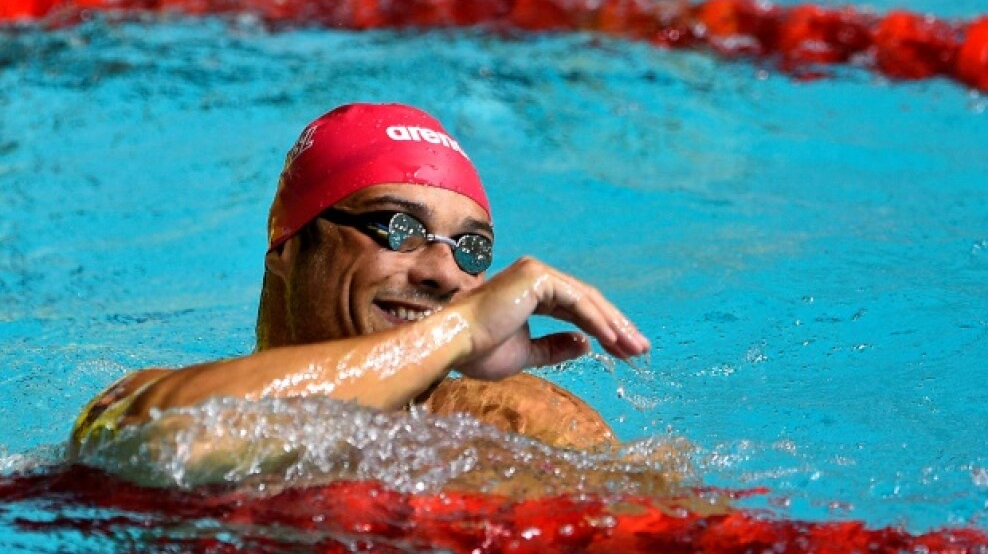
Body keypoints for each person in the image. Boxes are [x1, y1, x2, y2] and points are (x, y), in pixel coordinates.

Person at [71, 103, 650, 456]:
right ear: (288, 246)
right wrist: (461, 329)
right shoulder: (145, 400)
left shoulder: (517, 423)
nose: (445, 274)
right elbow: (167, 440)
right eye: (398, 227)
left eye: (471, 250)